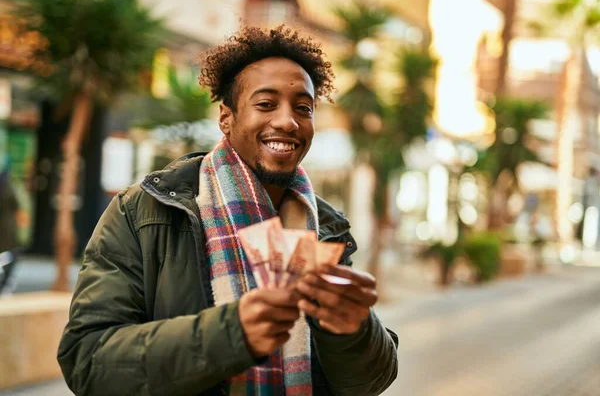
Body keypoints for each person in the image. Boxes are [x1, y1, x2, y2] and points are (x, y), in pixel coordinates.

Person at [58, 25, 398, 396]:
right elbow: (87, 362)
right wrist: (229, 334)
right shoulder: (143, 212)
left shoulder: (325, 227)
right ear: (226, 117)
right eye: (266, 104)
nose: (288, 121)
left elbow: (370, 381)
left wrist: (354, 328)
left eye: (303, 108)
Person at [0, 167, 19, 295]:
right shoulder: (8, 187)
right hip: (8, 228)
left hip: (5, 228)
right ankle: (5, 283)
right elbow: (16, 204)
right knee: (10, 256)